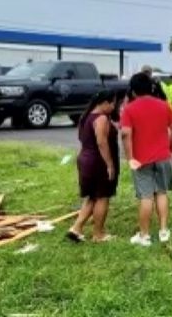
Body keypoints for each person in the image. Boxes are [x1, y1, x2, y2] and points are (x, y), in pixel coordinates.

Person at [121, 72, 172, 247]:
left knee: (145, 196)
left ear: (133, 91)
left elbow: (125, 134)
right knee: (161, 193)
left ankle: (144, 235)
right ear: (151, 87)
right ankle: (163, 231)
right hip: (163, 157)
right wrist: (171, 149)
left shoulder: (129, 109)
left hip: (141, 160)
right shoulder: (163, 105)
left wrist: (130, 157)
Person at [67, 90, 119, 243]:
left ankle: (76, 228)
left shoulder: (86, 116)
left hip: (84, 159)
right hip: (98, 162)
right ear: (104, 103)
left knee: (92, 197)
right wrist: (109, 164)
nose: (114, 107)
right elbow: (101, 142)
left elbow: (81, 137)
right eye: (112, 103)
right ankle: (98, 234)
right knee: (102, 197)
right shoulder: (101, 118)